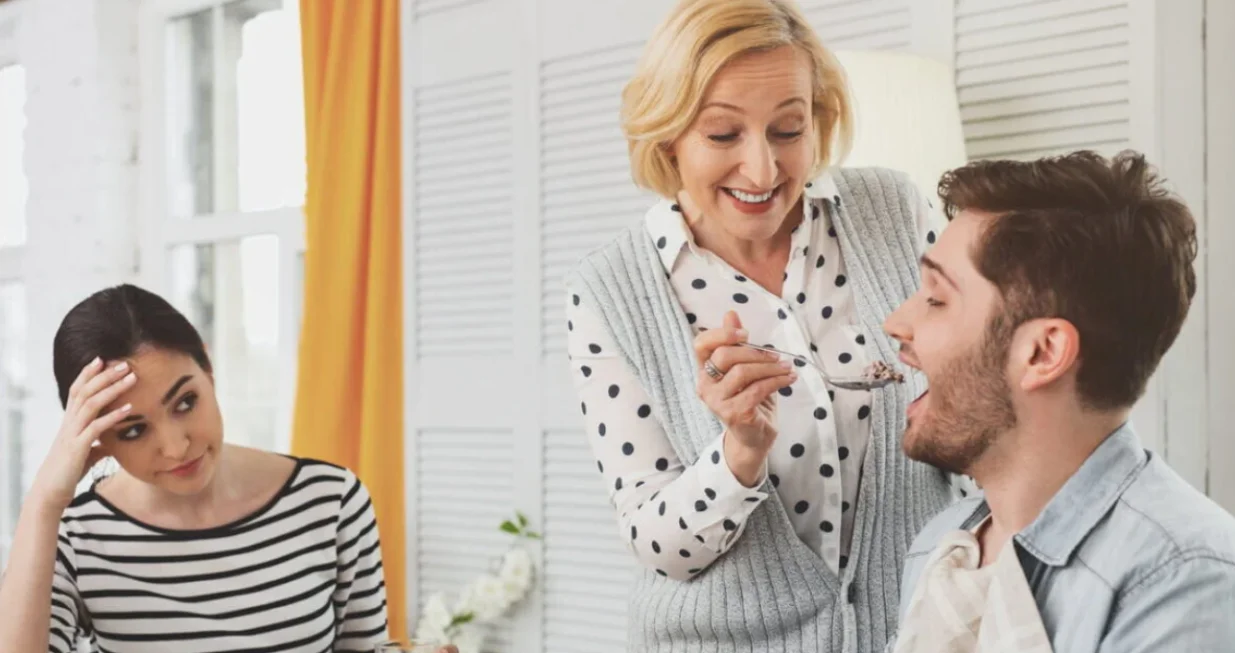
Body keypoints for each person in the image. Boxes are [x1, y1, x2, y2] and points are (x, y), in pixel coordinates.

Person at [563, 0, 964, 650]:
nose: (762, 169)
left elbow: (980, 401)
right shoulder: (610, 290)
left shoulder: (892, 212)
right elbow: (659, 545)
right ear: (667, 133)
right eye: (723, 135)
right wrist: (738, 451)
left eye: (787, 129)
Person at [884, 151, 1235, 652]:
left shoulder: (1184, 582)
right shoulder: (943, 548)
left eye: (937, 298)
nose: (896, 322)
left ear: (1043, 353)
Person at [0, 284, 456, 653]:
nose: (176, 448)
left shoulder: (332, 502)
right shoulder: (76, 537)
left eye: (185, 402)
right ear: (95, 438)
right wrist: (44, 502)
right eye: (134, 431)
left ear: (208, 369)